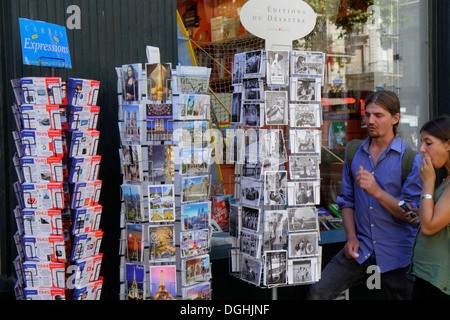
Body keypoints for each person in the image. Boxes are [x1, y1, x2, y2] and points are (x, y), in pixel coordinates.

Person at [307, 90, 423, 300]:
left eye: (378, 115)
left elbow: (412, 213)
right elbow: (347, 201)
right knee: (318, 293)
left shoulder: (410, 160)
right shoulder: (354, 153)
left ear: (395, 118)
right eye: (367, 115)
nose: (370, 120)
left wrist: (377, 192)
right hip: (361, 249)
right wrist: (350, 237)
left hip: (398, 256)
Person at [409, 115, 450, 300]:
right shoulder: (446, 179)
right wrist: (420, 212)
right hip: (428, 275)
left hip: (440, 280)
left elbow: (429, 227)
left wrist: (428, 182)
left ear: (448, 144)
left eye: (428, 143)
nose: (421, 149)